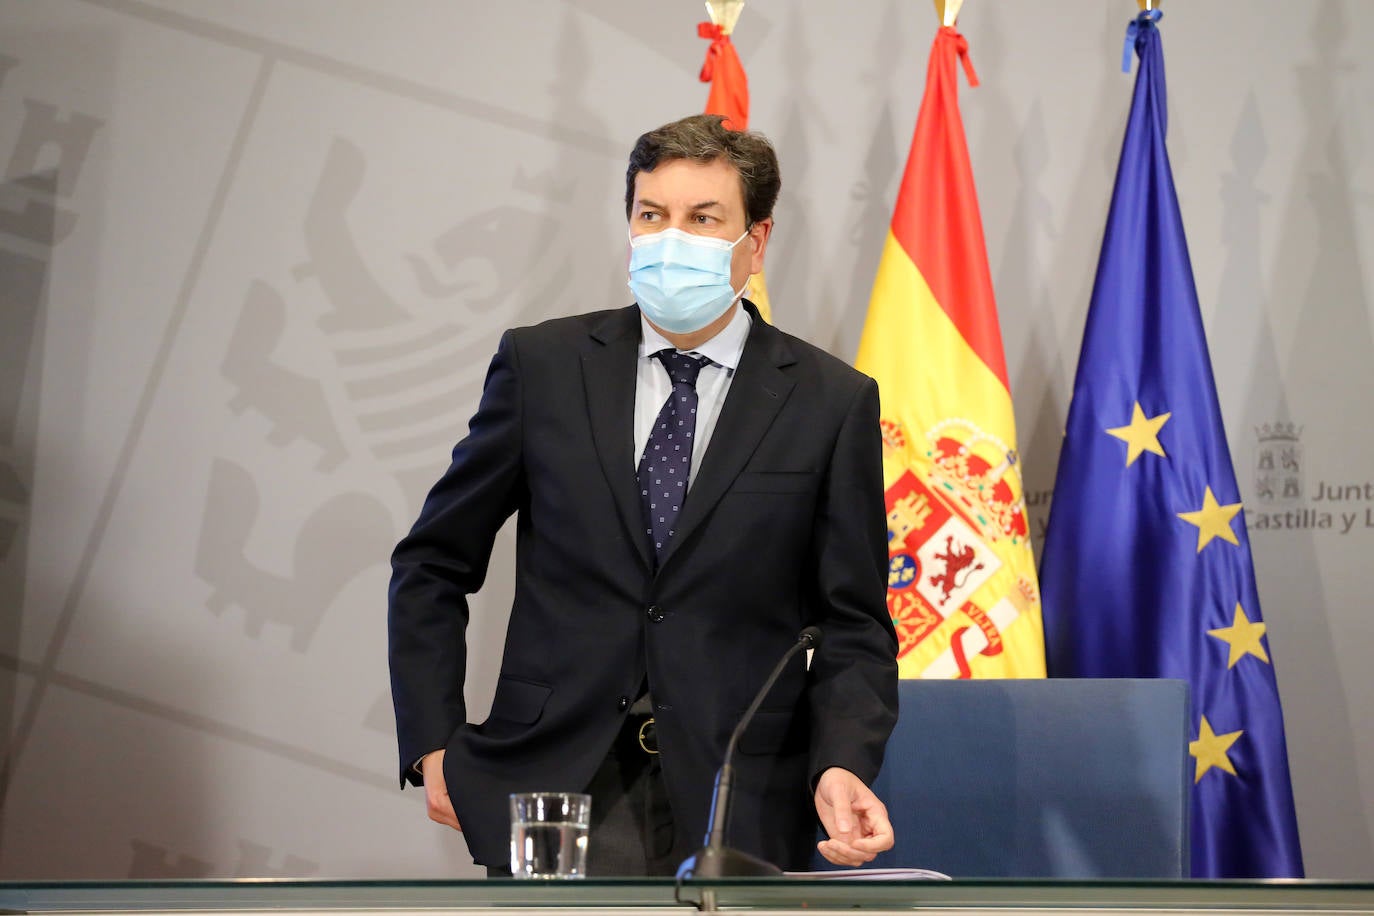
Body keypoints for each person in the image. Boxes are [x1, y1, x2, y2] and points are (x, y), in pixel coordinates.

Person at [388, 113, 899, 877]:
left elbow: (853, 622)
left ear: (755, 242)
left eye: (703, 219)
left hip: (742, 792)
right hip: (555, 781)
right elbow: (432, 562)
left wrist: (843, 761)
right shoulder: (544, 366)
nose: (670, 239)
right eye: (652, 215)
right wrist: (433, 743)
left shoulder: (831, 401)